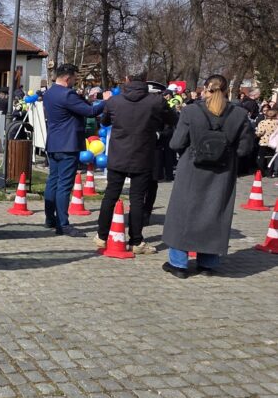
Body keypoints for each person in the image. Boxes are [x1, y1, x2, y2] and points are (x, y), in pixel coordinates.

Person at [161, 74, 255, 278]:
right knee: (215, 214)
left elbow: (176, 143)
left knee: (182, 214)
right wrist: (226, 155)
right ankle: (208, 263)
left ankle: (179, 264)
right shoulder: (239, 115)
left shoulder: (191, 112)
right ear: (227, 89)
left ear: (205, 88)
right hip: (222, 172)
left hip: (191, 170)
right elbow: (245, 148)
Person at [93, 73, 176, 253]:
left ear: (127, 80)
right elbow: (173, 119)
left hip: (118, 155)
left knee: (110, 196)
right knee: (137, 199)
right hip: (143, 155)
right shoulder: (156, 101)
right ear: (145, 81)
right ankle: (136, 240)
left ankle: (101, 236)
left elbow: (105, 121)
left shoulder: (114, 102)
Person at [43, 63, 110, 237]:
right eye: (74, 78)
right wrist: (106, 101)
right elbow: (90, 111)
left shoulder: (49, 93)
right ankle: (63, 224)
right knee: (64, 185)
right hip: (68, 145)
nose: (75, 81)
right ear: (67, 78)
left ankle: (50, 218)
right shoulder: (67, 94)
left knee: (53, 181)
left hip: (54, 143)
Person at [254, 108, 278, 177]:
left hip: (264, 142)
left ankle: (260, 172)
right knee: (270, 158)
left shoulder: (263, 122)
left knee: (261, 157)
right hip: (274, 144)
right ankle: (269, 172)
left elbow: (259, 133)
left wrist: (256, 133)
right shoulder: (277, 123)